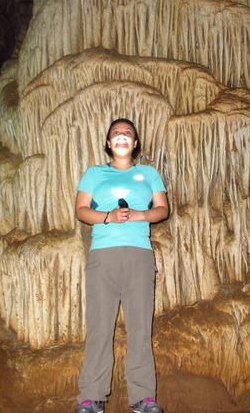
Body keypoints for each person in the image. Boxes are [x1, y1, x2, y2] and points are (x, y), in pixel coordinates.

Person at [74, 118, 169, 413]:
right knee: (100, 327)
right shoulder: (94, 173)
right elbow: (81, 210)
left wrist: (140, 215)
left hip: (139, 254)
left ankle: (143, 397)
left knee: (140, 327)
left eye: (127, 133)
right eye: (116, 133)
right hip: (103, 255)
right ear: (108, 142)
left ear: (136, 143)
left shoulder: (149, 173)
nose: (122, 137)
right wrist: (108, 217)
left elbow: (162, 209)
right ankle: (92, 397)